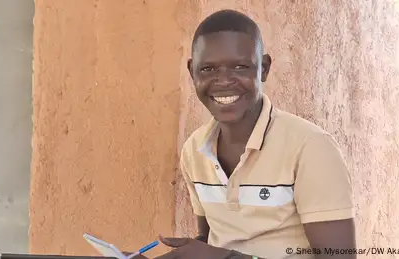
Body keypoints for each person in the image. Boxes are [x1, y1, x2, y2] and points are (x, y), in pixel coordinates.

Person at [126, 9, 356, 259]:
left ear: (264, 68)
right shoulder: (195, 151)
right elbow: (212, 241)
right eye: (208, 69)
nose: (223, 81)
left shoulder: (311, 148)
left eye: (240, 66)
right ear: (192, 71)